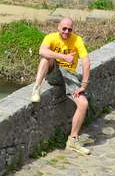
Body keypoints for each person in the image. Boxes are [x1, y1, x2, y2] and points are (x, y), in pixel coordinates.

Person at [31, 18, 92, 155]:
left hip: (70, 76)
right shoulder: (51, 37)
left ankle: (72, 140)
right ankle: (36, 88)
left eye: (69, 29)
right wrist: (63, 57)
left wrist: (84, 85)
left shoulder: (77, 40)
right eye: (64, 28)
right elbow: (42, 51)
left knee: (83, 104)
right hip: (55, 72)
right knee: (46, 58)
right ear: (58, 27)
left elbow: (86, 62)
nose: (66, 31)